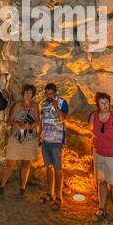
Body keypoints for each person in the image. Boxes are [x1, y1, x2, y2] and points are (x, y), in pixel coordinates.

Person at [88, 92, 113, 225]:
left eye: (106, 103)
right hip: (99, 154)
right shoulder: (94, 116)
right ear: (98, 104)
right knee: (102, 183)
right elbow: (91, 129)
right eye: (102, 103)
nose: (104, 105)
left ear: (110, 103)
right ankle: (102, 209)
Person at [0, 84, 39, 200]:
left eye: (30, 93)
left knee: (26, 164)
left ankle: (22, 188)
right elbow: (10, 120)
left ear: (32, 95)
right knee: (10, 164)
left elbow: (37, 121)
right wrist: (18, 124)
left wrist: (29, 126)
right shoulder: (17, 105)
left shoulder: (35, 106)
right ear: (23, 93)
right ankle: (1, 186)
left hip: (29, 139)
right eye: (26, 92)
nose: (27, 94)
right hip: (16, 138)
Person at [39, 83, 69, 211]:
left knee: (58, 169)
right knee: (49, 168)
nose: (49, 96)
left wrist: (56, 106)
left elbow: (63, 118)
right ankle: (49, 193)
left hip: (57, 142)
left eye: (52, 94)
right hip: (46, 141)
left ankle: (59, 197)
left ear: (56, 93)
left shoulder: (62, 102)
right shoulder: (44, 104)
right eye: (47, 94)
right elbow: (42, 119)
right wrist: (40, 133)